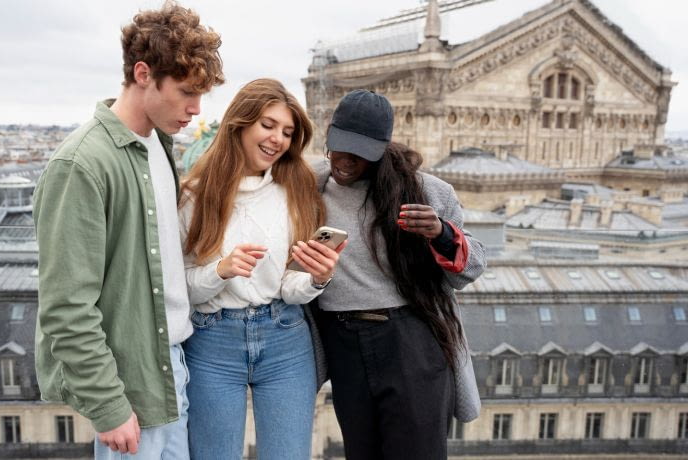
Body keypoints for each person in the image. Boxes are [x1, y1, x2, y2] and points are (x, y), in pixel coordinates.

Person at [32, 2, 224, 458]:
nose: (196, 110)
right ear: (143, 73)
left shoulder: (158, 143)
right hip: (130, 383)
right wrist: (107, 404)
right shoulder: (81, 163)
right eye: (186, 92)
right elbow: (65, 304)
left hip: (171, 365)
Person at [313, 90, 486, 460]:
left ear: (381, 148)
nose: (344, 161)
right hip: (343, 346)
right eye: (338, 147)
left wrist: (440, 233)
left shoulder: (426, 191)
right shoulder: (312, 184)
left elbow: (473, 267)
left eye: (359, 153)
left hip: (409, 342)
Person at [179, 78, 345, 460]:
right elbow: (182, 289)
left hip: (284, 336)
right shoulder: (193, 195)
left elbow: (288, 286)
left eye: (287, 132)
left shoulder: (296, 190)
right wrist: (220, 270)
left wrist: (318, 278)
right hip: (212, 341)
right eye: (268, 125)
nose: (278, 140)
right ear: (240, 122)